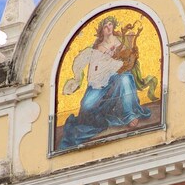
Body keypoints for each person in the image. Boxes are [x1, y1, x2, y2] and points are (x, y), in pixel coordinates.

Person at [58, 16, 151, 150]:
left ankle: (129, 114)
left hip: (115, 78)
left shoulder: (118, 42)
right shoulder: (96, 47)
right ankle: (102, 118)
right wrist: (76, 80)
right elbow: (85, 64)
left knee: (125, 78)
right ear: (101, 29)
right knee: (87, 106)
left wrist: (122, 57)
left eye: (110, 25)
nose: (109, 28)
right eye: (106, 26)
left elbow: (127, 59)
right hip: (98, 84)